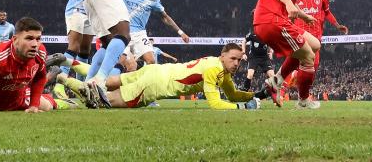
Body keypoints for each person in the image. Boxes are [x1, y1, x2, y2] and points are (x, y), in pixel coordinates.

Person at [58, 43, 261, 110]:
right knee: (103, 102)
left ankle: (66, 62)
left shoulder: (219, 69)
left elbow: (232, 94)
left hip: (154, 70)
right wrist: (242, 108)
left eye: (239, 61)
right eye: (233, 59)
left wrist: (255, 96)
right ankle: (61, 78)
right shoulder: (214, 70)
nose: (236, 64)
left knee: (105, 82)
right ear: (223, 56)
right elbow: (216, 104)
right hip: (154, 85)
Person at [252, 0, 323, 109]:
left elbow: (289, 3)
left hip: (273, 20)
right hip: (272, 20)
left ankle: (275, 82)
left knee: (315, 44)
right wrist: (289, 4)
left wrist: (305, 16)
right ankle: (303, 101)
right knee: (308, 57)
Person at [282, 0, 348, 97]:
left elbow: (327, 12)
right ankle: (284, 91)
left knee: (313, 67)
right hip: (300, 37)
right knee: (296, 64)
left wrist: (337, 25)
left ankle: (296, 86)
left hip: (316, 39)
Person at [116, 0, 190, 65]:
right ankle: (105, 78)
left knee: (151, 61)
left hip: (140, 34)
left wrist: (181, 32)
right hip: (124, 32)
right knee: (127, 64)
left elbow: (165, 17)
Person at [62, 0, 94, 78]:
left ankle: (80, 85)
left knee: (85, 50)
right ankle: (59, 81)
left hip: (90, 12)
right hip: (76, 10)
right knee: (73, 47)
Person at [242, 25, 275, 91]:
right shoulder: (252, 35)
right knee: (250, 75)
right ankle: (244, 91)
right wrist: (243, 53)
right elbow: (244, 41)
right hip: (254, 57)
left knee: (272, 75)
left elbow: (271, 45)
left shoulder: (267, 35)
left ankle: (274, 93)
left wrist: (271, 52)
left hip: (264, 58)